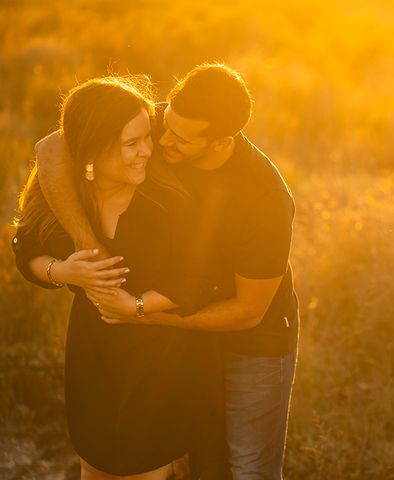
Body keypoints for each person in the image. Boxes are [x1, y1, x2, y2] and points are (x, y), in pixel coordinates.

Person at [36, 63, 299, 480]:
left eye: (180, 137)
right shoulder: (164, 123)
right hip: (176, 314)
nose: (162, 139)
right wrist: (89, 247)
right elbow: (52, 148)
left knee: (247, 466)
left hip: (250, 336)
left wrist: (141, 312)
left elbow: (248, 310)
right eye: (166, 123)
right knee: (190, 455)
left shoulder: (264, 199)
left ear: (220, 143)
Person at [13, 76, 225, 480]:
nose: (148, 151)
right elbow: (26, 248)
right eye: (132, 144)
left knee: (144, 467)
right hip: (93, 353)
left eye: (148, 137)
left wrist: (137, 305)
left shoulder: (167, 202)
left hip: (162, 360)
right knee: (95, 463)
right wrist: (64, 270)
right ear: (92, 148)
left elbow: (202, 279)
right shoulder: (65, 195)